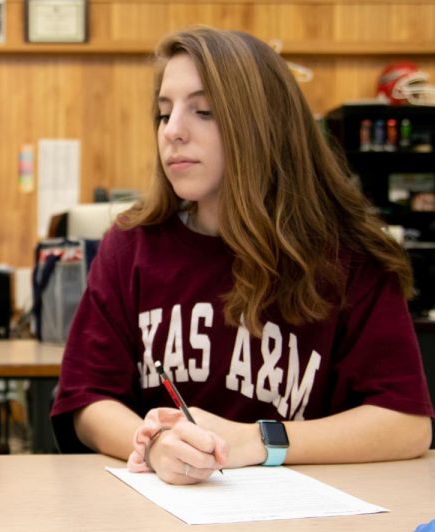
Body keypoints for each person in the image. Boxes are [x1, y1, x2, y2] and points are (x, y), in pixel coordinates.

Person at [51, 26, 433, 485]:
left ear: (264, 125)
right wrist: (152, 443)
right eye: (163, 112)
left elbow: (406, 423)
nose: (172, 132)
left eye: (204, 110)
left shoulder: (351, 257)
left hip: (310, 527)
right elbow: (85, 400)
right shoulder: (130, 245)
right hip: (164, 519)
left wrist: (259, 441)